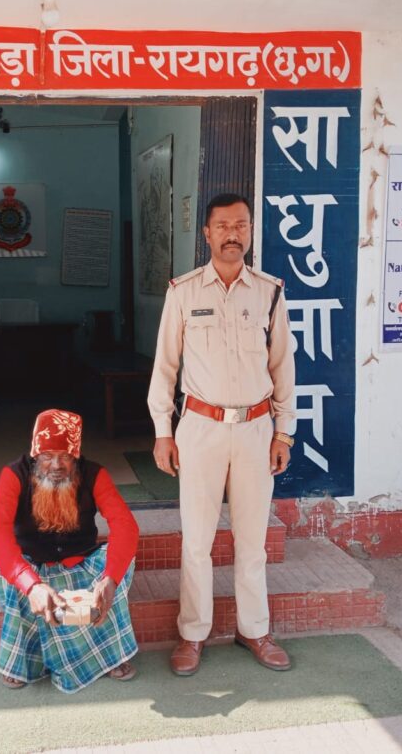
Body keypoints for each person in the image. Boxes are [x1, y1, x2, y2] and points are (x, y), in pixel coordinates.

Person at [147, 193, 297, 676]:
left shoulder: (269, 292)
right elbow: (165, 368)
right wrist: (163, 432)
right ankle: (193, 634)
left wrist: (284, 433)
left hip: (255, 430)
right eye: (224, 226)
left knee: (252, 541)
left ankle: (255, 630)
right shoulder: (183, 292)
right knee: (197, 541)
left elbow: (283, 367)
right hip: (200, 429)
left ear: (250, 231)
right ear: (207, 233)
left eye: (241, 225)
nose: (233, 234)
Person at [0, 409, 140, 693]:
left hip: (79, 564)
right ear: (35, 454)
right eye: (47, 456)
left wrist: (110, 578)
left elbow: (125, 526)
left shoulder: (95, 474)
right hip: (32, 568)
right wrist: (31, 585)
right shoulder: (14, 474)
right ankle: (32, 662)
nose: (56, 465)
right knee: (5, 572)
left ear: (76, 456)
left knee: (120, 564)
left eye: (65, 456)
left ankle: (107, 656)